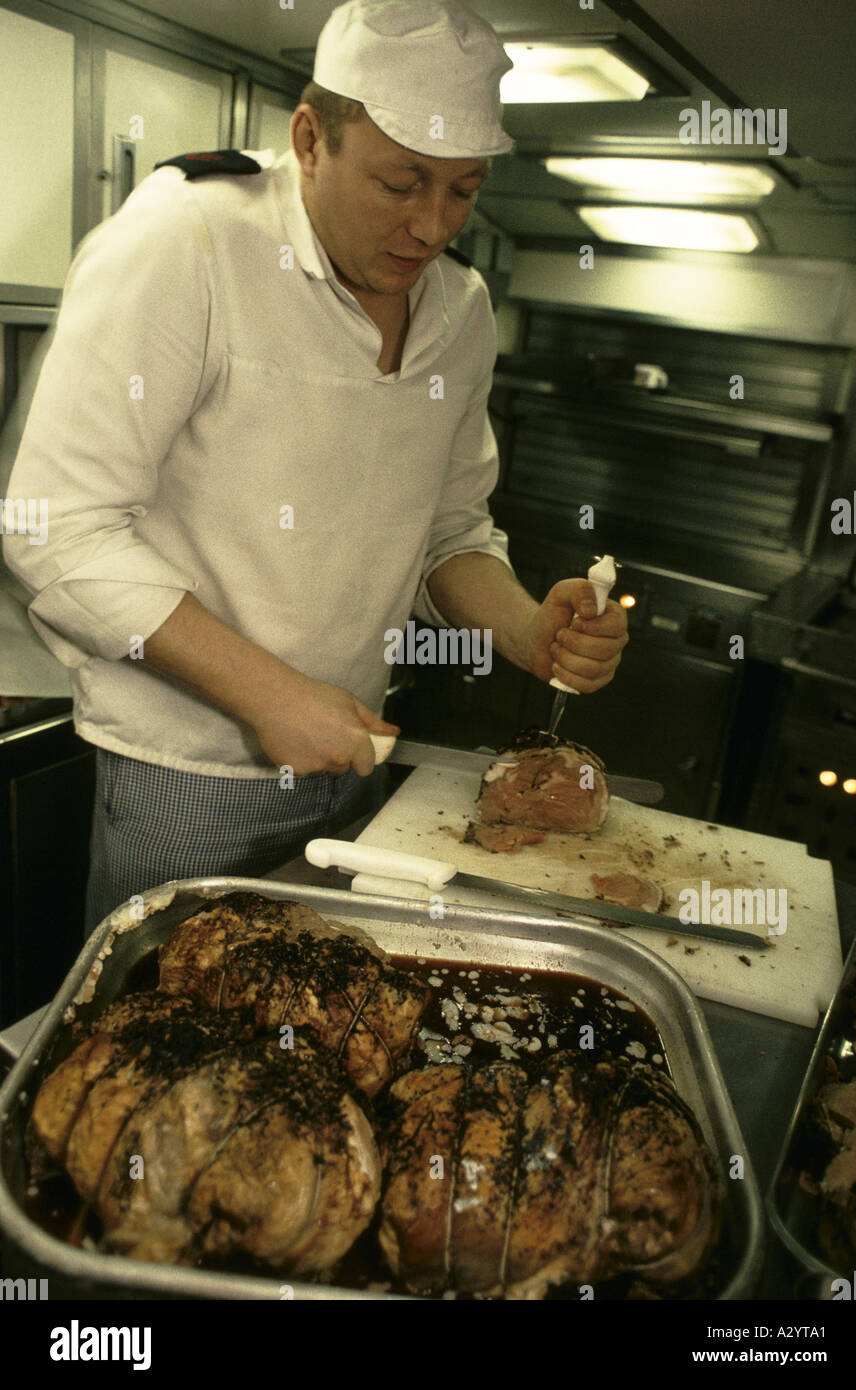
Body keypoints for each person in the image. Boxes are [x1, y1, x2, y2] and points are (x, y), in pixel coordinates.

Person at [3, 0, 628, 931]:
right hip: (190, 772)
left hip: (356, 757)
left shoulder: (460, 310)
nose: (430, 227)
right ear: (309, 137)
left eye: (462, 190)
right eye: (400, 182)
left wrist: (526, 627)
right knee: (167, 1040)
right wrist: (270, 695)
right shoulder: (191, 241)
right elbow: (54, 530)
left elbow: (449, 529)